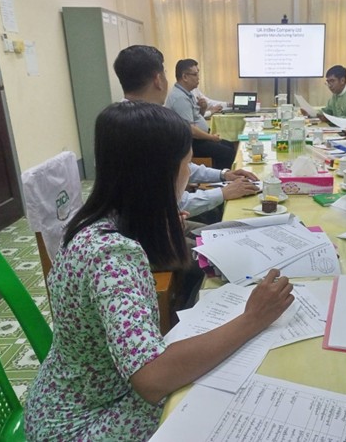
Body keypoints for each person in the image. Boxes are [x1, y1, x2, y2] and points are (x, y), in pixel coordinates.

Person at [23, 101, 295, 441]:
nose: (189, 173)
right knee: (221, 400)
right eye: (186, 165)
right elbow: (152, 378)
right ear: (160, 175)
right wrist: (252, 318)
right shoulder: (111, 255)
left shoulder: (98, 221)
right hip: (79, 424)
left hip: (77, 395)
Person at [113, 46, 259, 218]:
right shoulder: (153, 127)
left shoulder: (113, 119)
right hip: (149, 221)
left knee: (214, 212)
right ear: (158, 79)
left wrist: (224, 175)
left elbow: (178, 168)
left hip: (132, 215)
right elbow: (167, 201)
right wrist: (223, 193)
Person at [165, 59, 236, 170]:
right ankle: (222, 177)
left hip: (198, 139)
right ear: (185, 77)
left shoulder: (188, 93)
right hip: (191, 143)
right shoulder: (180, 98)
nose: (198, 78)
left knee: (229, 145)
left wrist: (202, 109)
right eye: (195, 74)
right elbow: (190, 129)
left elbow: (196, 118)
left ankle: (223, 174)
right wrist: (211, 137)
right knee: (227, 152)